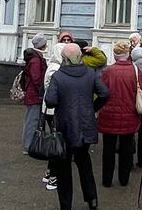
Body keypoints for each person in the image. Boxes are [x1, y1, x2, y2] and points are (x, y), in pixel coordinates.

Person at [45, 43, 110, 210]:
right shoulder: (89, 73)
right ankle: (92, 200)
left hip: (65, 127)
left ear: (65, 59)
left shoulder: (58, 76)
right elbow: (104, 93)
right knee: (84, 163)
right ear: (79, 57)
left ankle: (66, 205)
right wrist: (92, 107)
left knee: (63, 168)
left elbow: (50, 101)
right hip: (86, 125)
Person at [97, 40, 142, 188]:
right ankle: (124, 179)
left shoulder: (108, 71)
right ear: (128, 54)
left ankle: (107, 180)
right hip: (129, 114)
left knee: (108, 149)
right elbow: (141, 90)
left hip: (109, 114)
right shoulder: (135, 71)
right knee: (126, 148)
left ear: (115, 54)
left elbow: (101, 92)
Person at [42, 42, 67, 191]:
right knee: (57, 143)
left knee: (56, 141)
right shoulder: (55, 70)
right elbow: (55, 93)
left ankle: (49, 172)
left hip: (51, 110)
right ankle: (53, 177)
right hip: (53, 111)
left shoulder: (53, 67)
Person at [21, 34, 48, 153]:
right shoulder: (36, 60)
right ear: (42, 45)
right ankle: (28, 146)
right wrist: (42, 91)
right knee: (32, 121)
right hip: (35, 95)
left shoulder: (35, 58)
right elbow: (37, 79)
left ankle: (32, 144)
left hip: (33, 94)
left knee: (33, 120)